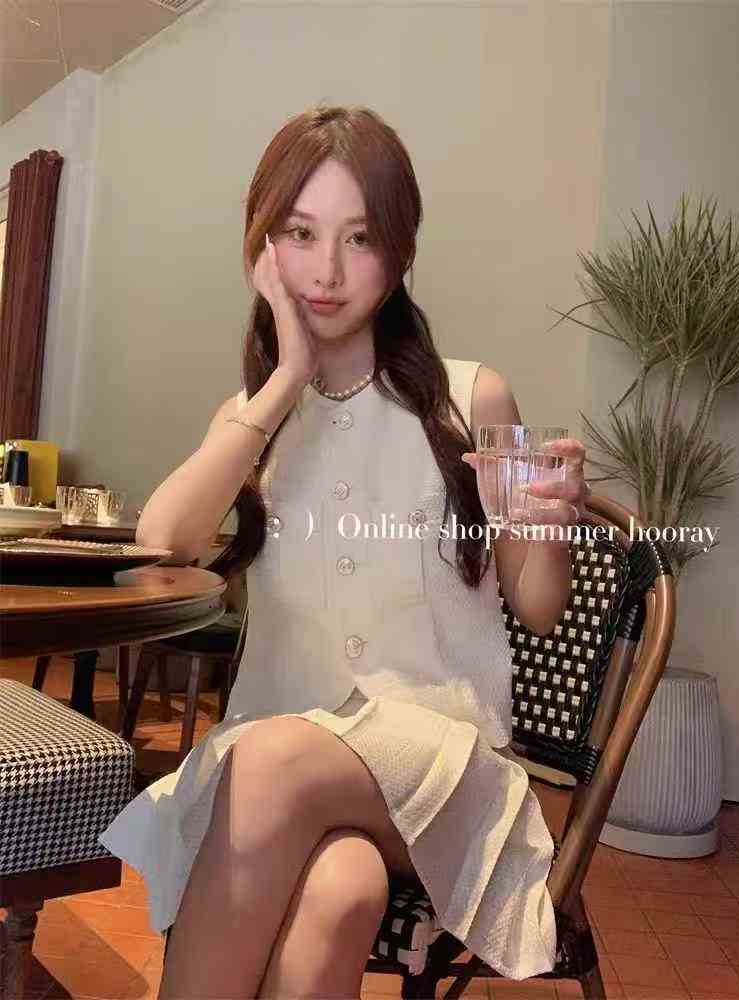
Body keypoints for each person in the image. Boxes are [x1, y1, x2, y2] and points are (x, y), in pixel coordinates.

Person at [100, 104, 589, 1000]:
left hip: (442, 759)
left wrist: (549, 526)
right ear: (263, 248)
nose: (327, 271)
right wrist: (285, 379)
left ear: (399, 252)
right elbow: (162, 539)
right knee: (343, 885)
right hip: (284, 757)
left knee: (272, 763)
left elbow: (539, 605)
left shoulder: (473, 397)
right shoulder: (250, 420)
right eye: (301, 233)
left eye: (360, 238)